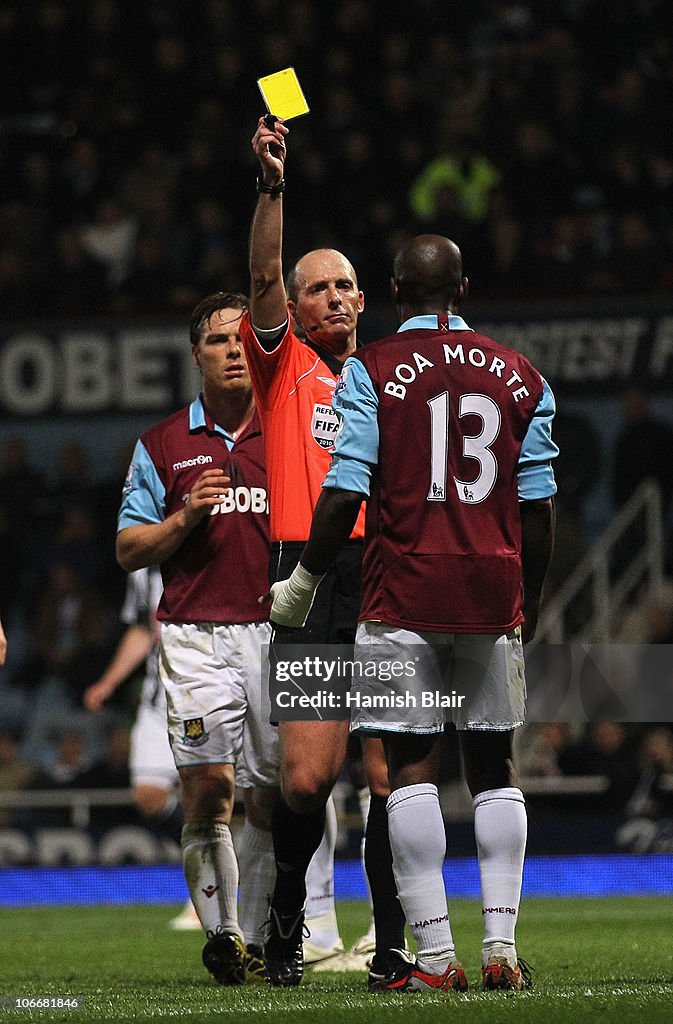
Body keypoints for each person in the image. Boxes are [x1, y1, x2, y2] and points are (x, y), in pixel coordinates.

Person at [269, 234, 558, 992]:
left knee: (406, 770)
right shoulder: (523, 376)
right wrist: (531, 599)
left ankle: (430, 957)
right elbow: (537, 509)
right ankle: (499, 949)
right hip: (491, 594)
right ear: (461, 288)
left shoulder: (371, 371)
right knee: (493, 768)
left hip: (399, 592)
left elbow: (344, 493)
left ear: (389, 291)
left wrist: (301, 578)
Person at [240, 115, 403, 987]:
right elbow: (262, 269)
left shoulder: (389, 380)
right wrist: (272, 184)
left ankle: (388, 943)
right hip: (306, 576)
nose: (336, 297)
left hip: (382, 574)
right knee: (306, 781)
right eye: (319, 289)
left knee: (386, 773)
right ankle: (284, 916)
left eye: (347, 287)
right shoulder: (284, 371)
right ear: (295, 308)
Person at [116, 292, 280, 986]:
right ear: (196, 356)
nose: (235, 348)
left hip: (280, 636)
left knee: (280, 795)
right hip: (195, 637)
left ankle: (284, 931)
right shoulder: (161, 445)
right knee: (209, 791)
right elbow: (128, 549)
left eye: (245, 335)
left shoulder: (295, 429)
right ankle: (225, 937)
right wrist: (185, 518)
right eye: (218, 340)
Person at [83, 565, 199, 930]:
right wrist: (109, 682)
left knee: (204, 792)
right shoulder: (145, 568)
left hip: (203, 689)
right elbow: (141, 629)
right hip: (156, 698)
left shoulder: (212, 544)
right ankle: (220, 868)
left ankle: (207, 897)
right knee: (148, 795)